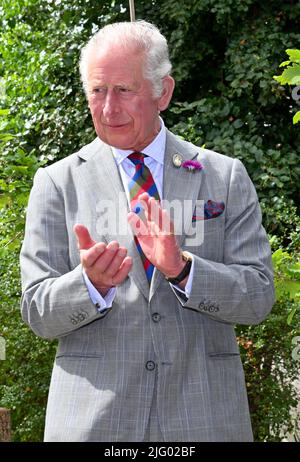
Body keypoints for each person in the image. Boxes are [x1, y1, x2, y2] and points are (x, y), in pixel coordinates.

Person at [20, 20, 275, 442]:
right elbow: (37, 311)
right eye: (97, 91)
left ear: (164, 92)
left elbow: (259, 296)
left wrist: (184, 269)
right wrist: (90, 284)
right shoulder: (56, 183)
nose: (108, 108)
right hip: (93, 425)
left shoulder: (224, 176)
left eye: (123, 90)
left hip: (205, 420)